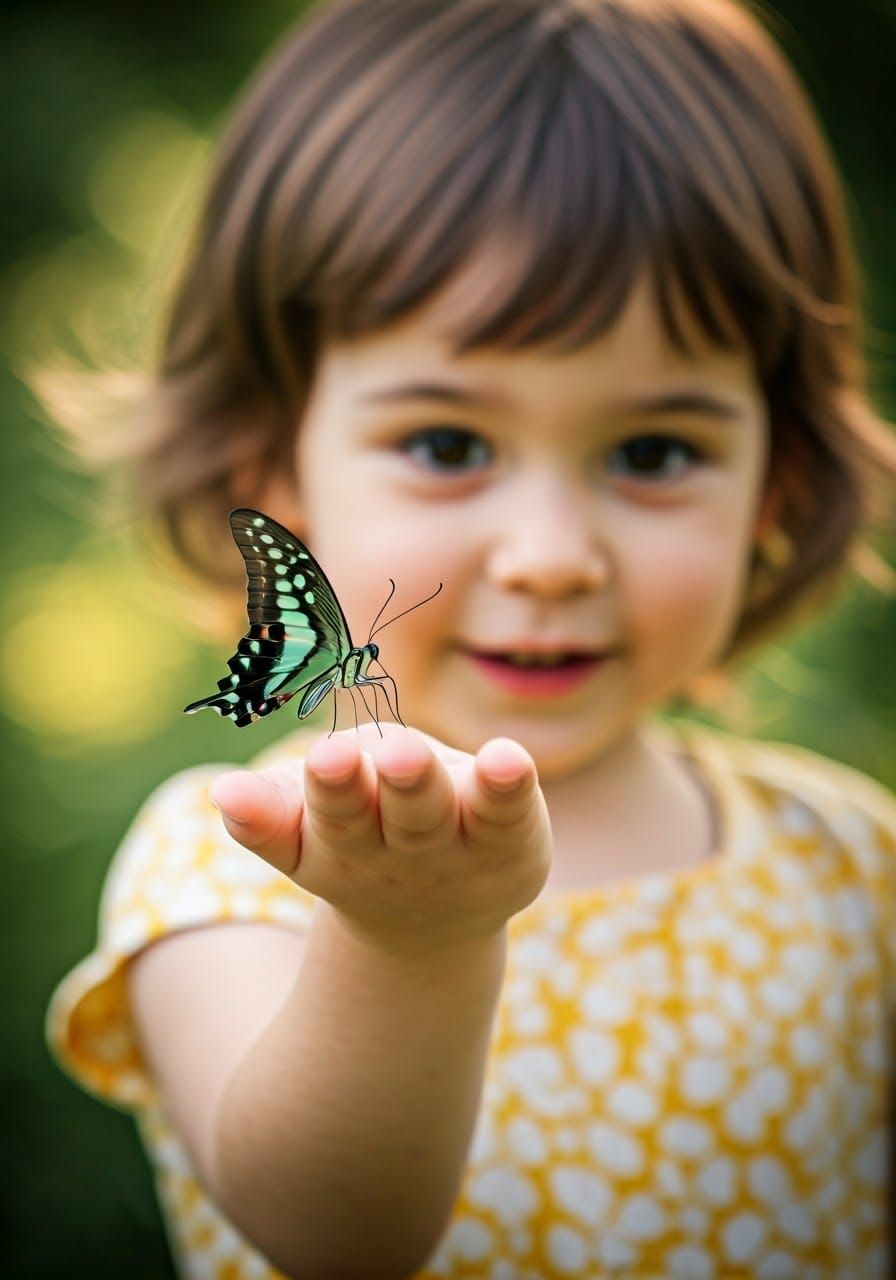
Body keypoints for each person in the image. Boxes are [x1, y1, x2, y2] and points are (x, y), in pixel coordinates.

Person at [46, 0, 896, 1276]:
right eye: (447, 444)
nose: (550, 554)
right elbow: (333, 1231)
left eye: (652, 451)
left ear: (774, 480)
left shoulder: (856, 871)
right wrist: (408, 942)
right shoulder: (231, 859)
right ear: (272, 466)